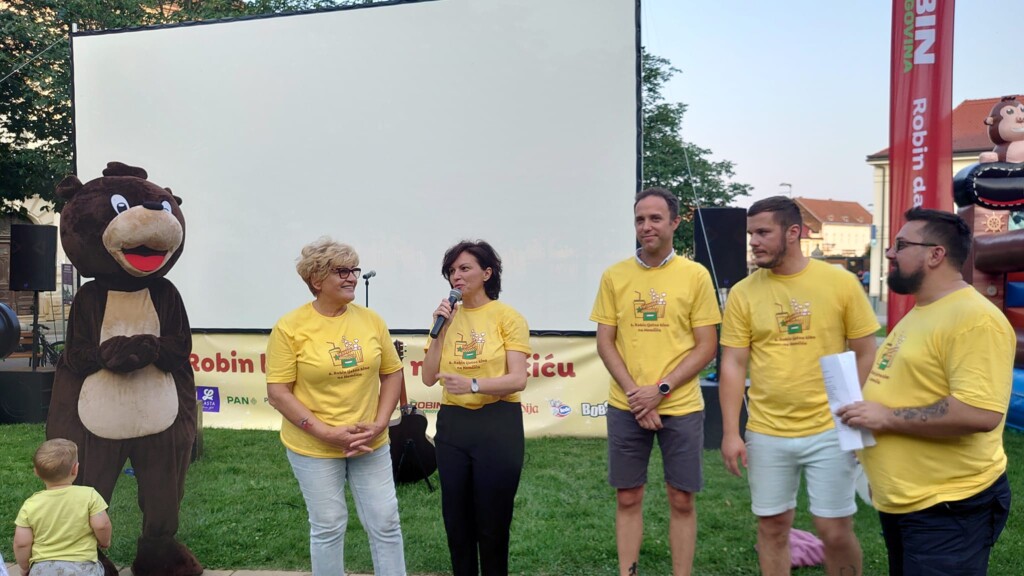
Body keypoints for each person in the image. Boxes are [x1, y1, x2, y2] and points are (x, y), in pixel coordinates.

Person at [838, 208, 1015, 576]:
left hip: (947, 508)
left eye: (901, 245)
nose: (890, 253)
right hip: (909, 503)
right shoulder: (923, 311)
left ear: (936, 254)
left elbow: (979, 412)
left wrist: (886, 418)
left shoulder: (974, 320)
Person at [718, 196, 878, 576]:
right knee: (772, 528)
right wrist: (730, 432)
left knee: (834, 530)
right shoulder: (743, 292)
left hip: (830, 428)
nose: (754, 242)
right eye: (751, 234)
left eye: (763, 232)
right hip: (766, 430)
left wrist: (852, 410)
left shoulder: (840, 282)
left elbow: (866, 352)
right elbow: (733, 363)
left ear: (793, 233)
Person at [589, 187, 721, 576]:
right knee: (628, 497)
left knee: (681, 499)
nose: (646, 226)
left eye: (655, 218)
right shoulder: (614, 276)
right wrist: (638, 396)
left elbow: (706, 346)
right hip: (627, 405)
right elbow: (605, 342)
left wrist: (659, 391)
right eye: (640, 219)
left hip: (680, 405)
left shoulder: (695, 275)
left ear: (675, 222)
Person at [266, 237, 406, 576]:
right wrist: (327, 433)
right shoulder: (289, 327)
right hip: (314, 446)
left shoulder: (372, 321)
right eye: (342, 271)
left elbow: (392, 373)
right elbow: (278, 392)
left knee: (386, 522)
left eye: (354, 270)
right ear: (316, 279)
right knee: (328, 525)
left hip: (369, 441)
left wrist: (380, 424)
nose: (352, 277)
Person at [420, 240, 529, 576]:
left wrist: (474, 385)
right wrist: (440, 331)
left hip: (498, 424)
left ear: (487, 273)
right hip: (453, 425)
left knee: (493, 524)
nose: (457, 276)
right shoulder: (446, 318)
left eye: (465, 268)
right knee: (457, 522)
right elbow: (427, 377)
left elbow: (518, 379)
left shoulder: (507, 317)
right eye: (451, 270)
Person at [14, 438, 113, 576]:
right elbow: (101, 525)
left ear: (36, 472)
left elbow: (21, 543)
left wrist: (24, 567)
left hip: (43, 569)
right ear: (75, 469)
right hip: (83, 568)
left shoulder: (30, 504)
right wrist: (105, 541)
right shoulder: (89, 495)